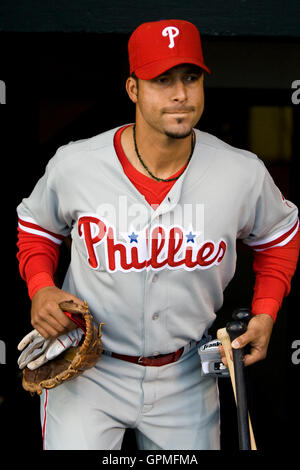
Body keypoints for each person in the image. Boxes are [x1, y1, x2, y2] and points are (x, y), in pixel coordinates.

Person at [16, 19, 299, 450]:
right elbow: (36, 226)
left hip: (185, 375)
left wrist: (266, 311)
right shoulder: (76, 165)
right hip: (89, 370)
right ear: (133, 89)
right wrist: (40, 287)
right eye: (161, 80)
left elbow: (280, 234)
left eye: (191, 78)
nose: (180, 94)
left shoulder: (241, 172)